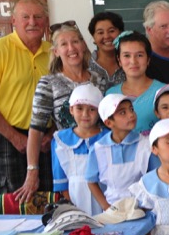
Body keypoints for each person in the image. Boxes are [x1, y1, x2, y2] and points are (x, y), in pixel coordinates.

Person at [16, 22, 108, 203]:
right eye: (64, 44)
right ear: (56, 52)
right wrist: (32, 171)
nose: (71, 48)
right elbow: (36, 129)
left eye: (75, 42)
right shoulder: (48, 83)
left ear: (83, 46)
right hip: (69, 162)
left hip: (102, 156)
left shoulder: (100, 80)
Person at [0, 0, 52, 194]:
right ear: (13, 20)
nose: (32, 22)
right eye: (26, 17)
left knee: (51, 194)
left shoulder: (54, 52)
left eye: (38, 17)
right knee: (13, 196)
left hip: (46, 138)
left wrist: (52, 133)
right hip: (8, 135)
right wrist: (15, 137)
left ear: (46, 21)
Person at [86, 94, 153, 211]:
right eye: (123, 113)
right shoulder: (98, 149)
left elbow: (154, 178)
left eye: (131, 109)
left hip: (142, 208)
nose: (131, 115)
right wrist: (107, 207)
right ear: (109, 123)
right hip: (112, 208)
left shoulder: (146, 145)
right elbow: (91, 181)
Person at [51, 84, 108, 215]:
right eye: (79, 108)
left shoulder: (108, 138)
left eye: (92, 110)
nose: (85, 114)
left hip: (105, 199)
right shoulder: (60, 140)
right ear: (71, 110)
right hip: (75, 200)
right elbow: (61, 182)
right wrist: (74, 209)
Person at [106, 31, 165, 134]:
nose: (133, 61)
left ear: (148, 59)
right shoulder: (111, 94)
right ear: (119, 60)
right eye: (127, 56)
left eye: (139, 55)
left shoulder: (162, 91)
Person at [87, 11, 124, 87]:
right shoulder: (85, 65)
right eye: (100, 33)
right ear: (93, 37)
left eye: (111, 31)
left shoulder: (131, 62)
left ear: (121, 33)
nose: (106, 36)